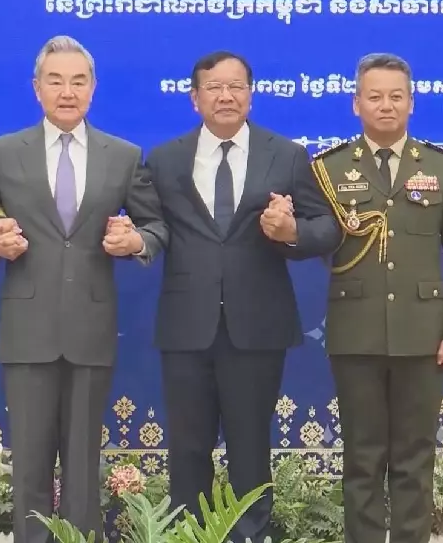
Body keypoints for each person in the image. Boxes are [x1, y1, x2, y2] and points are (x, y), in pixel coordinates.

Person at [0, 36, 167, 543]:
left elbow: (157, 226)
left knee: (83, 465)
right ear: (37, 88)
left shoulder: (123, 155)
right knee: (29, 463)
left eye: (78, 81)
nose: (67, 92)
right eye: (56, 81)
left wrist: (135, 241)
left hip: (91, 328)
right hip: (27, 329)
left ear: (92, 88)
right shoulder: (4, 153)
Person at [143, 51, 341, 542]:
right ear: (195, 98)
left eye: (236, 87)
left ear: (250, 95)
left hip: (257, 326)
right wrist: (133, 239)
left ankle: (250, 535)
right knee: (188, 449)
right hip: (186, 325)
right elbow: (151, 226)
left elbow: (327, 227)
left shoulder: (286, 154)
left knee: (250, 448)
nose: (226, 96)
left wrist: (291, 231)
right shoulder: (165, 159)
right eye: (214, 87)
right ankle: (189, 535)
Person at [311, 53, 443, 543]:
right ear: (356, 104)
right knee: (362, 458)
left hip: (423, 336)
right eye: (375, 96)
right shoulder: (329, 168)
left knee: (414, 458)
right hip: (356, 333)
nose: (386, 105)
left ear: (411, 103)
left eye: (396, 96)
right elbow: (315, 240)